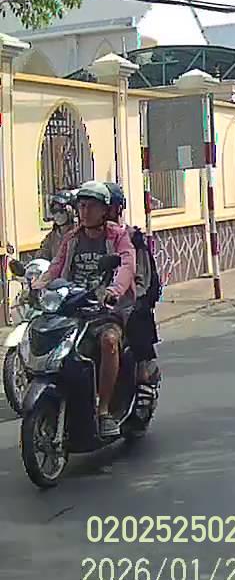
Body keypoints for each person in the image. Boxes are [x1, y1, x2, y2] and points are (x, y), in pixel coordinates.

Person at [33, 181, 137, 437]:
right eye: (81, 206)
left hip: (105, 309)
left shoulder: (117, 236)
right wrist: (38, 285)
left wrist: (114, 291)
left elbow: (126, 266)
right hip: (73, 306)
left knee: (109, 341)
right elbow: (56, 267)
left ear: (104, 210)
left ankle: (104, 411)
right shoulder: (72, 238)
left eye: (91, 206)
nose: (85, 211)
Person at [104, 182, 162, 387]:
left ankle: (143, 371)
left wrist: (125, 296)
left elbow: (142, 280)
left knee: (137, 315)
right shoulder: (77, 238)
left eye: (104, 207)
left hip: (125, 299)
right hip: (93, 300)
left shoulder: (130, 237)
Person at [37, 190, 78, 260]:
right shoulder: (52, 237)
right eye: (54, 211)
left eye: (61, 210)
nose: (57, 215)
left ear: (70, 210)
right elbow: (42, 256)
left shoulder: (79, 234)